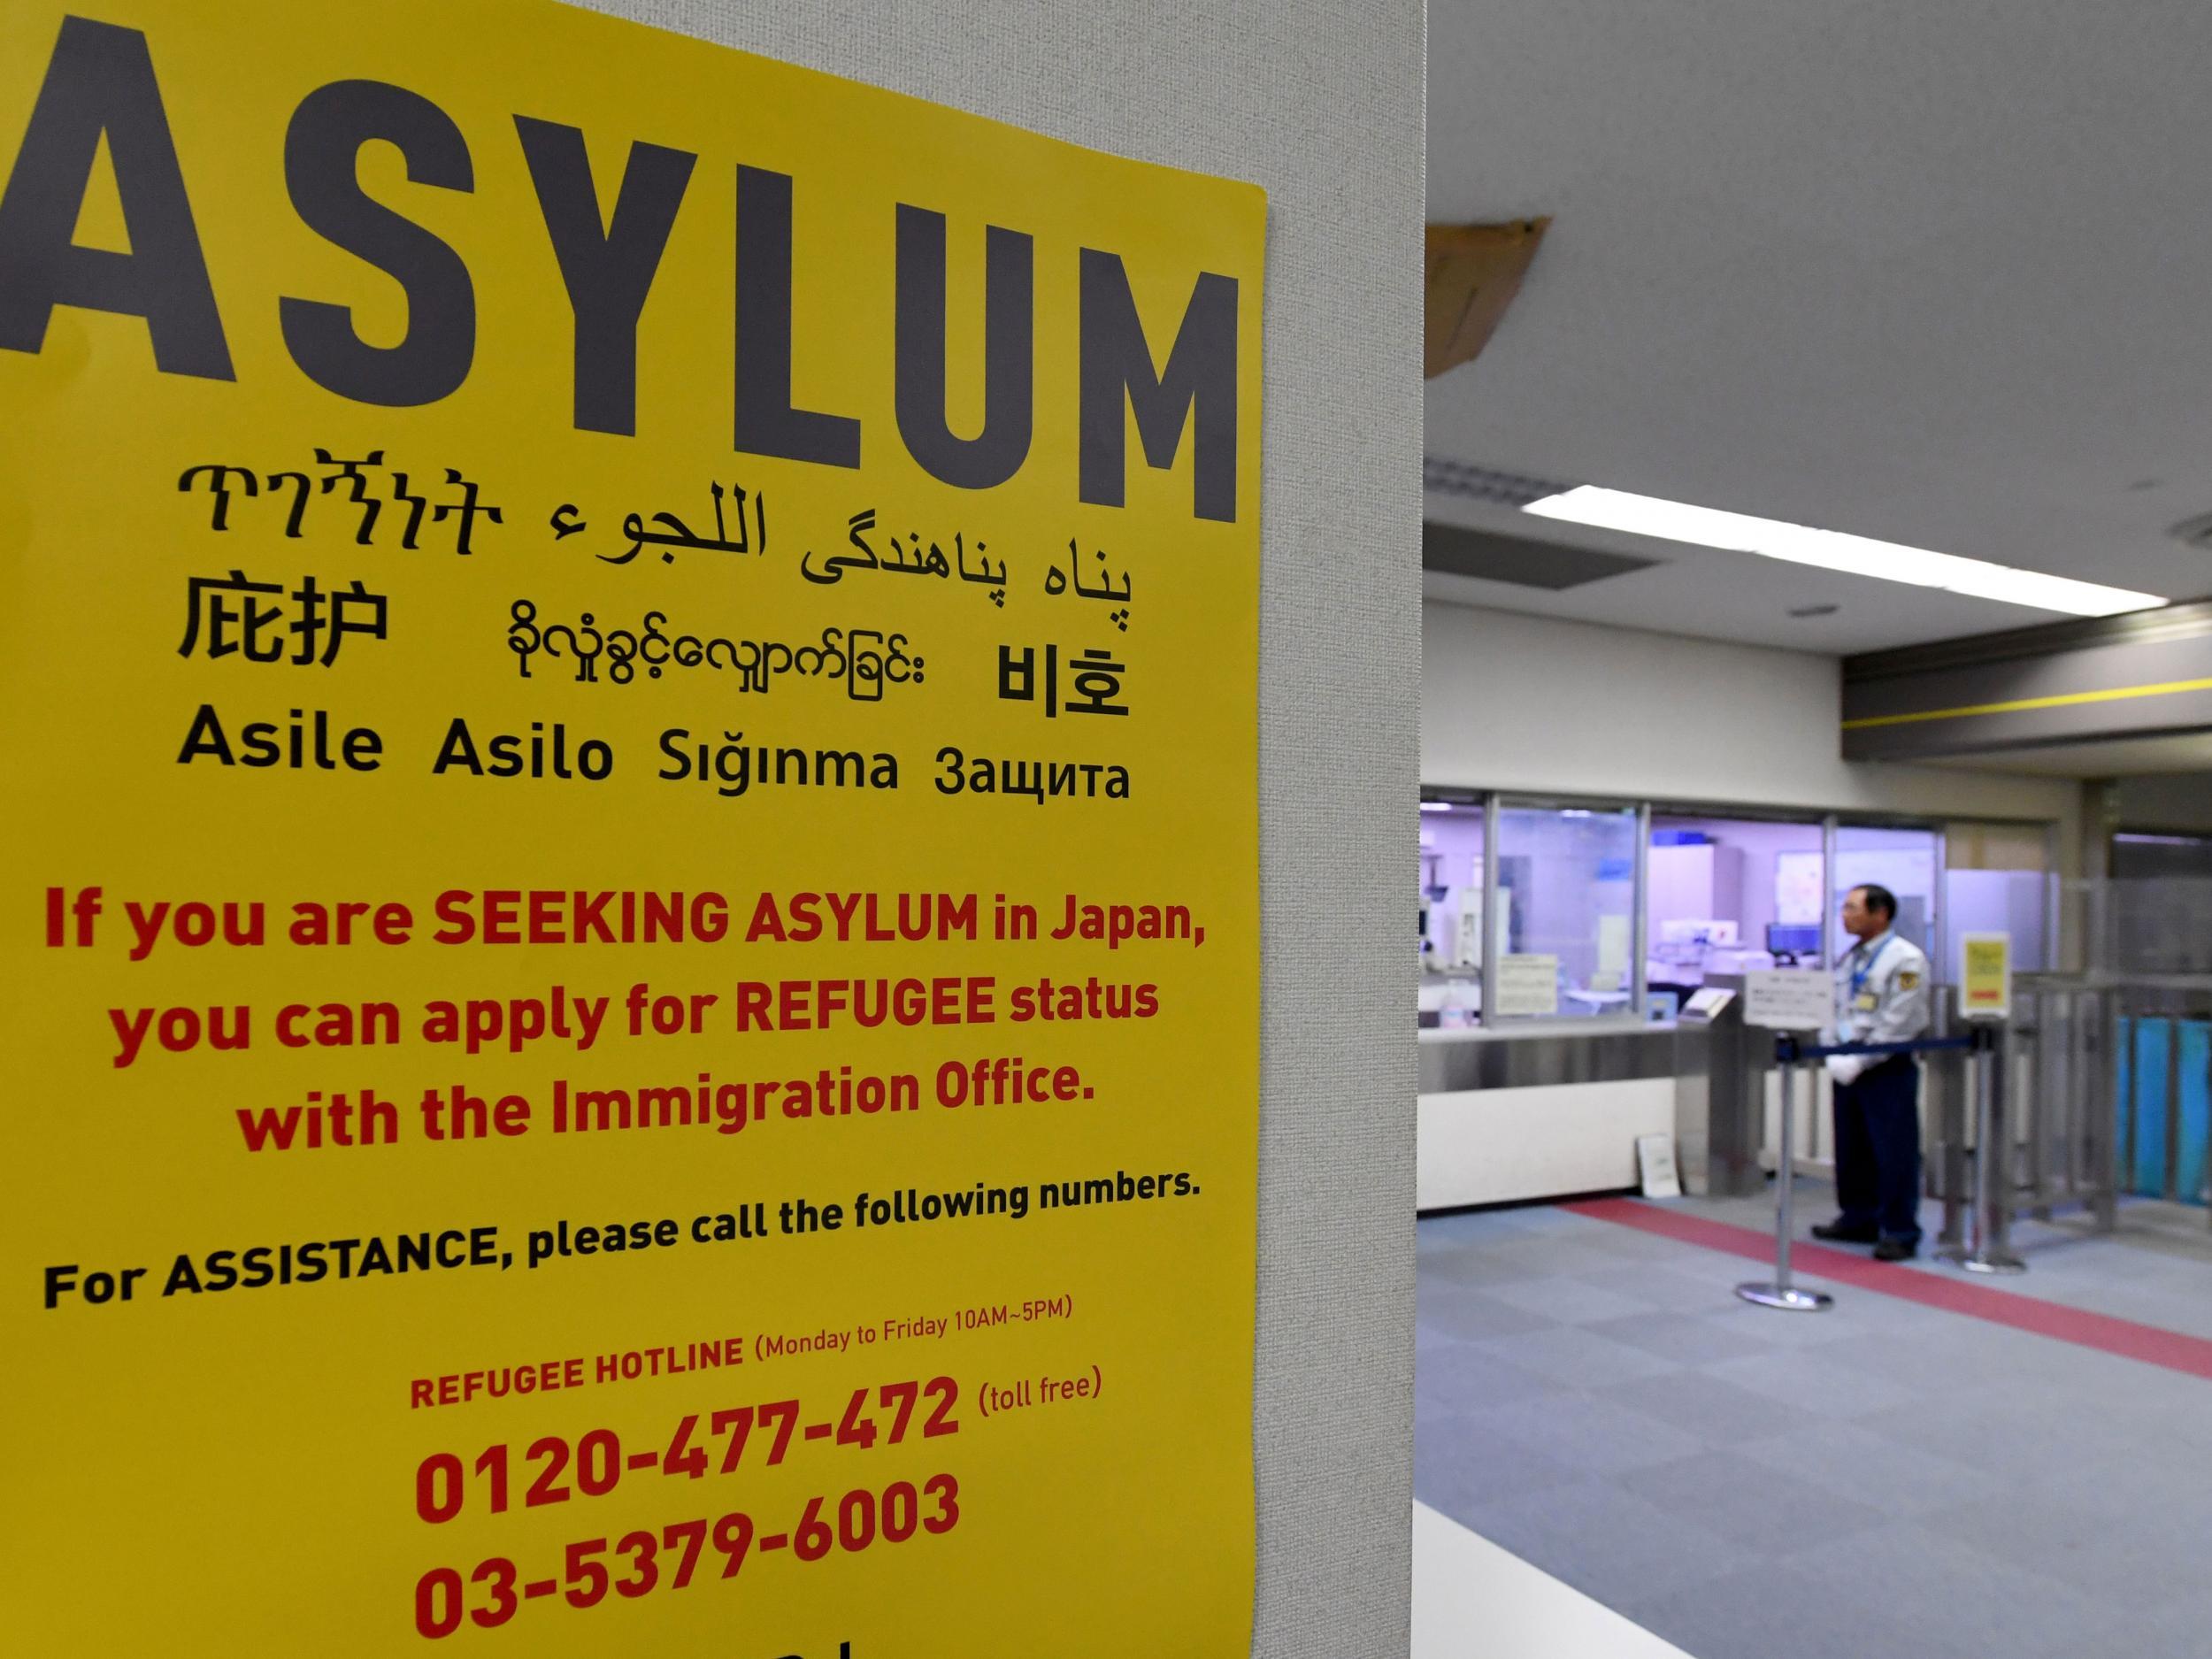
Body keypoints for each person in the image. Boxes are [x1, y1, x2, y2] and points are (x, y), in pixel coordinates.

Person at [1810, 884, 1930, 1261]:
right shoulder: (1850, 959)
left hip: (1885, 1067)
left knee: (1893, 1151)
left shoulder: (1905, 959)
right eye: (1844, 908)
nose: (1844, 915)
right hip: (1845, 1063)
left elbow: (1900, 1019)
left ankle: (1899, 1229)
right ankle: (1858, 1217)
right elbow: (1834, 1004)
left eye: (1852, 908)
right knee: (1852, 1147)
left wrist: (1861, 1059)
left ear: (1880, 914)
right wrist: (1832, 1049)